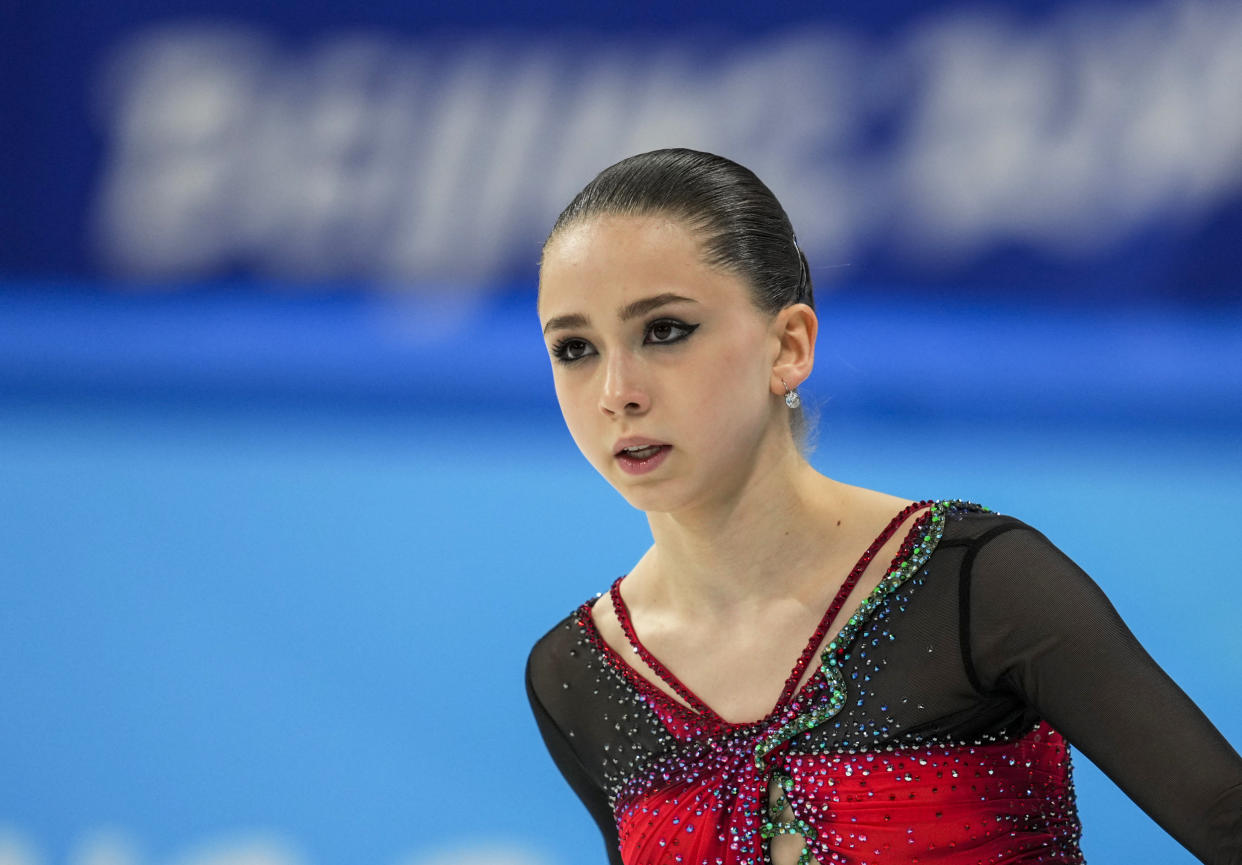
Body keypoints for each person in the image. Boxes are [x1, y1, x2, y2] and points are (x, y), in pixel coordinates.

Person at [524, 148, 1242, 865]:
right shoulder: (578, 675)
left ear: (789, 345)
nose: (617, 390)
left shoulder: (977, 585)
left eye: (665, 330)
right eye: (575, 347)